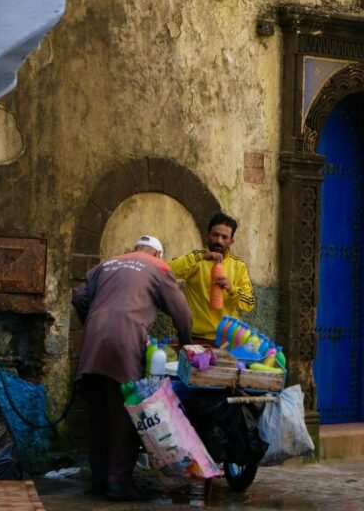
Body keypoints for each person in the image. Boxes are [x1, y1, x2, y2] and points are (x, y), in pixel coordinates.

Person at [71, 234, 192, 501]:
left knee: (98, 416)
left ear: (135, 249)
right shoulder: (158, 268)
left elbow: (78, 297)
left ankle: (100, 481)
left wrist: (94, 322)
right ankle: (118, 482)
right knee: (125, 414)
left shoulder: (107, 263)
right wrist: (187, 345)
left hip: (91, 344)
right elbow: (182, 313)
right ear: (159, 254)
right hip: (124, 344)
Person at [169, 212, 256, 342]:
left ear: (231, 241)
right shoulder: (195, 259)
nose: (219, 241)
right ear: (207, 235)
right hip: (196, 337)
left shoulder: (239, 266)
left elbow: (250, 303)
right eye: (215, 235)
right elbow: (166, 270)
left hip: (229, 339)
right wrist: (200, 257)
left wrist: (231, 289)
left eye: (224, 237)